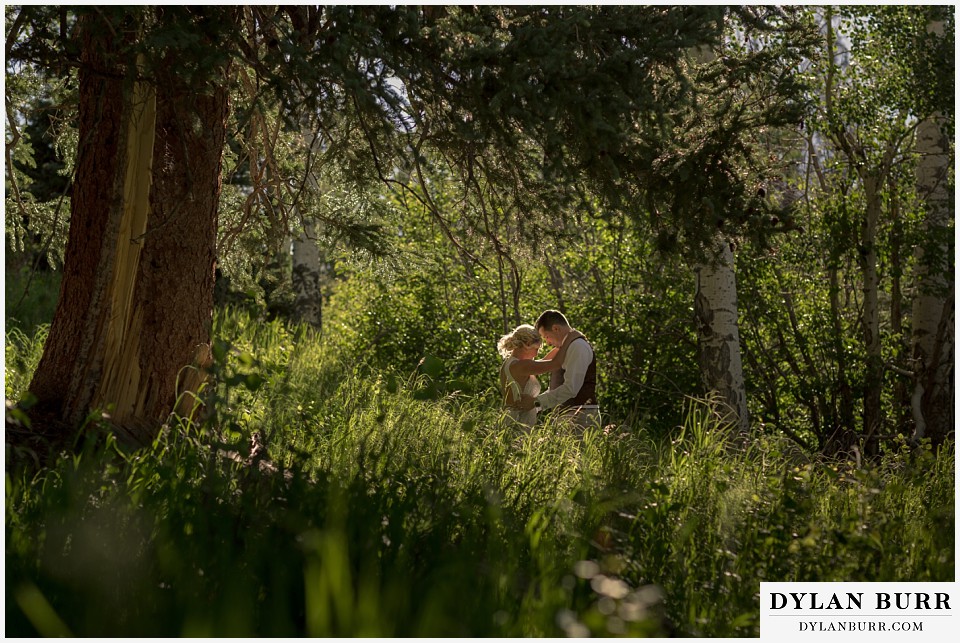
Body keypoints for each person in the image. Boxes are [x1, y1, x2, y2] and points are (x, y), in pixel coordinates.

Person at [515, 310, 600, 430]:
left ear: (556, 329)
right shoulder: (567, 348)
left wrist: (536, 402)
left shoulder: (578, 347)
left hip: (581, 417)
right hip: (568, 416)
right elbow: (557, 386)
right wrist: (534, 405)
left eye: (546, 337)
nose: (548, 342)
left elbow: (571, 388)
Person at [497, 323, 583, 428]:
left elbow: (544, 361)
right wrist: (570, 339)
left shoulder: (512, 363)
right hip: (517, 423)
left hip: (513, 421)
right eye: (536, 349)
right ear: (527, 344)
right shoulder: (520, 365)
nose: (536, 354)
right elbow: (554, 364)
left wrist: (564, 343)